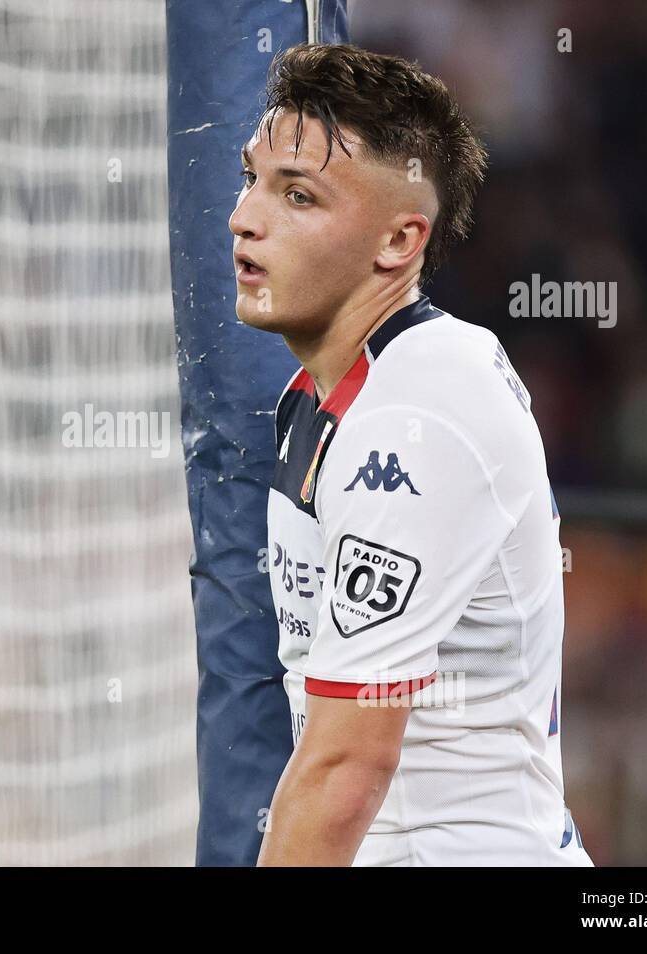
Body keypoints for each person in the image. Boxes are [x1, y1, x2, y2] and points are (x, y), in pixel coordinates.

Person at [234, 43, 592, 865]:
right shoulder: (332, 390)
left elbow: (346, 768)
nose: (245, 216)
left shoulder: (416, 415)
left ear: (399, 241)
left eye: (297, 195)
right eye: (251, 178)